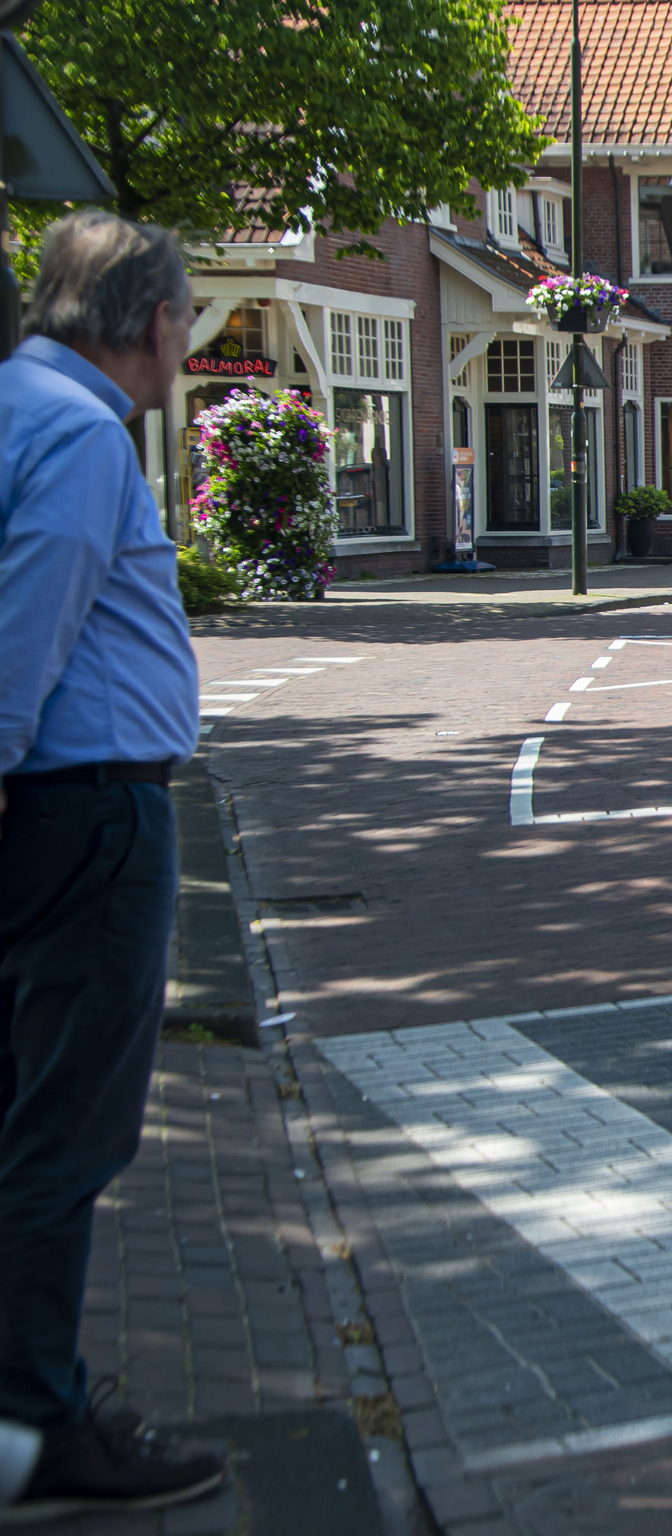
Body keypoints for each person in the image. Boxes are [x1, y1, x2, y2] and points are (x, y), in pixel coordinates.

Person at [0, 212, 228, 1521]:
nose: (184, 340)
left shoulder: (12, 403)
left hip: (50, 807)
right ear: (151, 323)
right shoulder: (86, 435)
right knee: (65, 1129)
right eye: (185, 317)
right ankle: (36, 1417)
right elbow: (36, 605)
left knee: (23, 1113)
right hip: (88, 812)